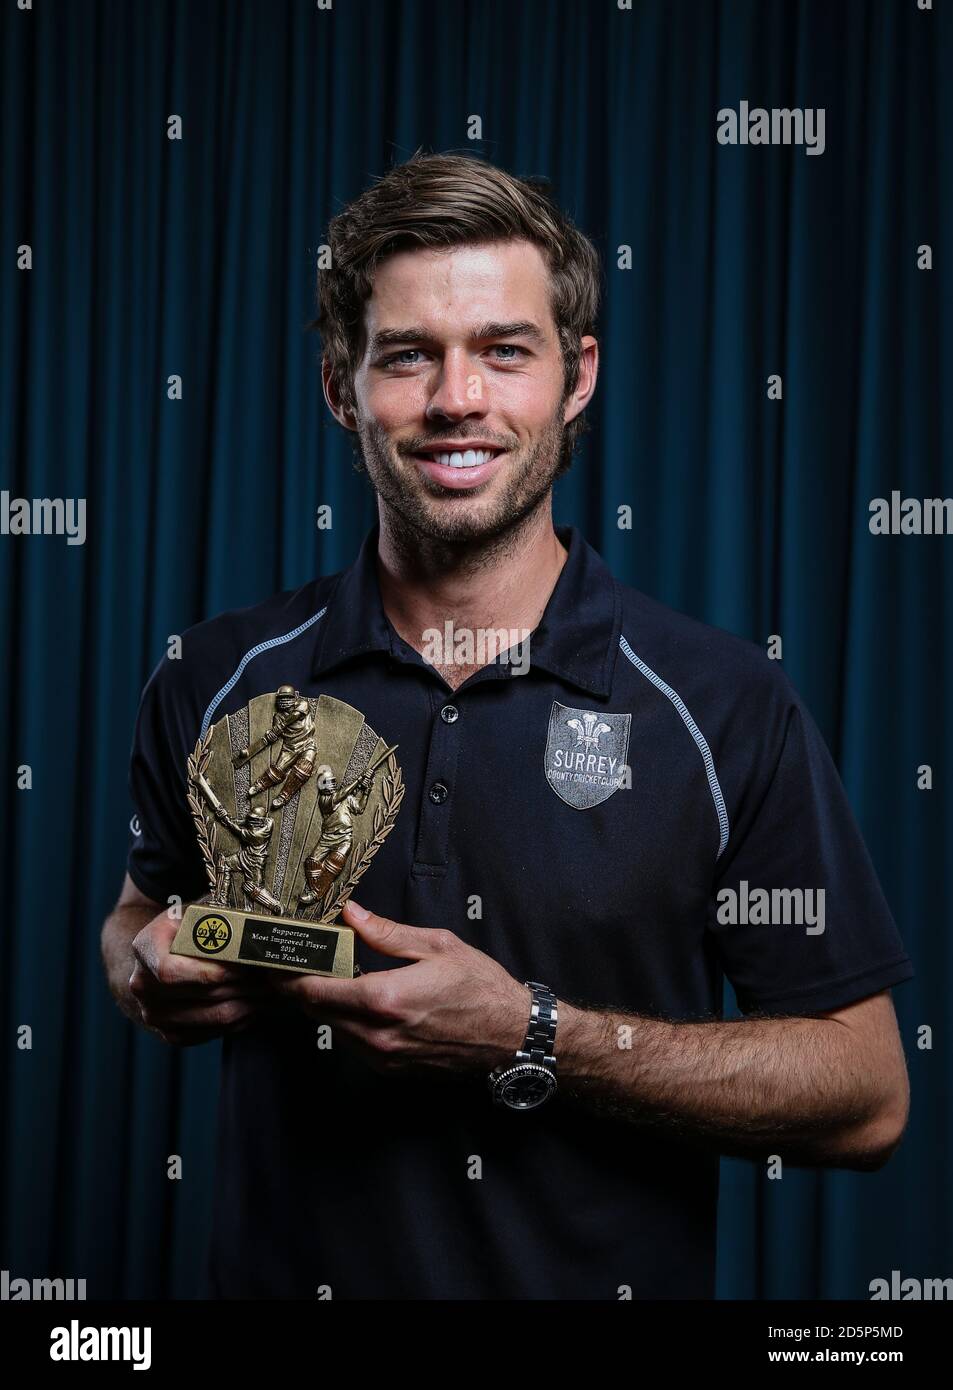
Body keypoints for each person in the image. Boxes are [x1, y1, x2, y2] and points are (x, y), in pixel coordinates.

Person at [101, 152, 913, 1300]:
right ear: (340, 383)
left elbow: (867, 1092)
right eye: (406, 356)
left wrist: (531, 1034)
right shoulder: (219, 674)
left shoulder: (723, 705)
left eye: (502, 350)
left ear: (576, 378)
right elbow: (143, 910)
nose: (455, 400)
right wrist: (139, 970)